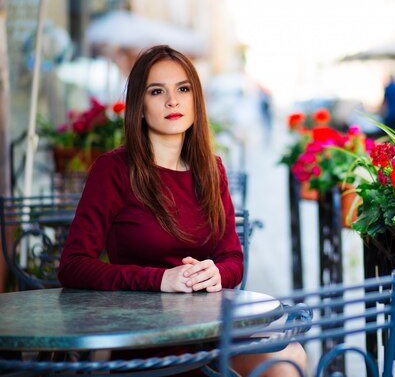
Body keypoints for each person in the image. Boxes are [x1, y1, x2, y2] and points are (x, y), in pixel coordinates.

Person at [58, 45, 305, 377]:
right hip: (145, 336)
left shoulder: (210, 169)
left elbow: (232, 257)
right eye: (157, 91)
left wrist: (215, 273)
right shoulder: (113, 170)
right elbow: (73, 266)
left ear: (195, 101)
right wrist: (160, 279)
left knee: (289, 356)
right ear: (140, 108)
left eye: (183, 89)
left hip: (208, 330)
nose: (172, 101)